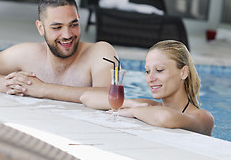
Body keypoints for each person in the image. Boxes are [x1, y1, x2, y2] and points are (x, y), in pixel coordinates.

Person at [0, 0, 118, 103]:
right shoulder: (28, 54)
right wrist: (0, 82)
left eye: (73, 25)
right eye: (57, 27)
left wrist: (43, 89)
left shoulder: (100, 52)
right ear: (40, 28)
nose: (67, 34)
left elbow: (110, 96)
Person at [80, 40, 214, 136]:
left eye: (159, 70)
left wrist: (133, 111)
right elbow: (87, 97)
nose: (150, 79)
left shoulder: (203, 117)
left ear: (183, 73)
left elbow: (165, 118)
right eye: (147, 71)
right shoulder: (149, 106)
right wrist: (128, 103)